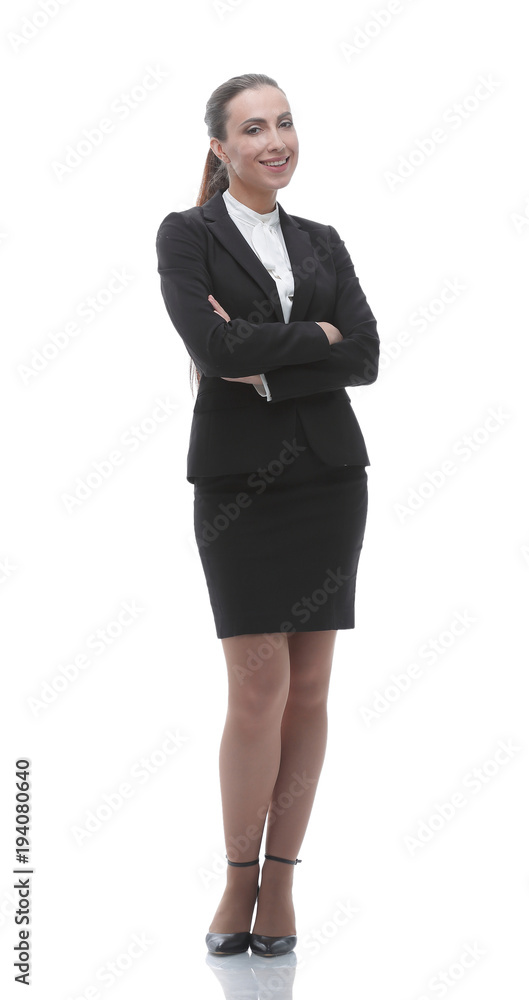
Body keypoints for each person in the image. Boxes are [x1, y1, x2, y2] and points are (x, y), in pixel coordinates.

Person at [155, 72, 379, 958]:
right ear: (219, 147)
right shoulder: (187, 235)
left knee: (311, 690)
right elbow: (211, 348)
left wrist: (272, 362)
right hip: (239, 484)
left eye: (284, 123)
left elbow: (364, 355)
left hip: (329, 477)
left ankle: (281, 883)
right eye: (252, 128)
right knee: (256, 691)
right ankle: (236, 876)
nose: (275, 141)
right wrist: (312, 338)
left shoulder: (322, 241)